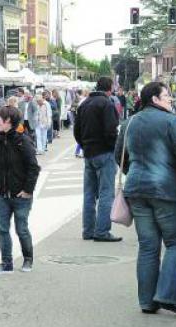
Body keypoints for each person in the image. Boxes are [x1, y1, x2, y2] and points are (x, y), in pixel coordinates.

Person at [115, 82, 176, 315]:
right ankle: (167, 295)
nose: (170, 99)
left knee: (148, 247)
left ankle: (147, 301)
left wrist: (135, 174)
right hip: (167, 190)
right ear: (154, 99)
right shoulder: (171, 122)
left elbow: (118, 155)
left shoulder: (129, 122)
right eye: (166, 96)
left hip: (137, 191)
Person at [0, 106, 40, 275]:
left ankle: (28, 259)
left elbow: (34, 167)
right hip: (2, 194)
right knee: (2, 229)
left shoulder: (22, 141)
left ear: (8, 120)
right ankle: (6, 263)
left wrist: (27, 190)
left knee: (21, 228)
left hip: (20, 195)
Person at [73, 77, 121, 242]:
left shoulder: (84, 104)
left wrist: (84, 145)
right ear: (110, 88)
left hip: (89, 153)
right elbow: (111, 131)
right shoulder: (107, 104)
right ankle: (102, 231)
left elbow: (76, 131)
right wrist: (113, 147)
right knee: (106, 193)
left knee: (89, 194)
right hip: (104, 152)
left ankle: (88, 230)